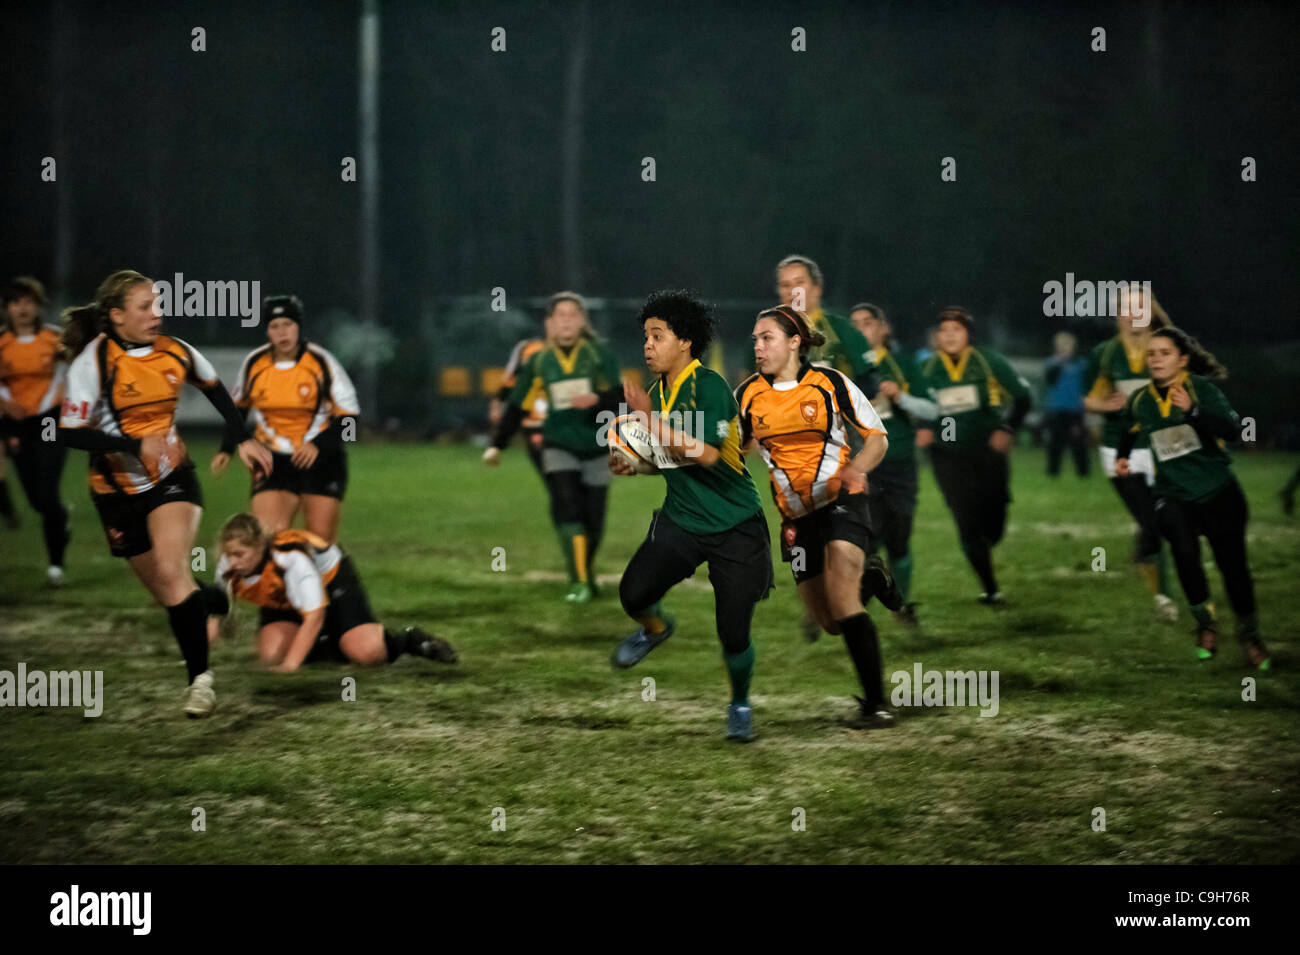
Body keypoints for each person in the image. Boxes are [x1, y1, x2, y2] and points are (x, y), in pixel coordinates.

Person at [58, 270, 273, 717]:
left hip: (173, 479)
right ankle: (218, 599)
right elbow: (69, 432)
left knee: (172, 572)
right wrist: (131, 445)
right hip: (115, 492)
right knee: (168, 592)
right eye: (146, 307)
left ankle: (200, 682)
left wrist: (242, 439)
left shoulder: (176, 351)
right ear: (116, 316)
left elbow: (217, 391)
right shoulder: (92, 364)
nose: (158, 313)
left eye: (158, 304)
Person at [609, 290, 773, 742]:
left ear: (685, 342)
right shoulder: (658, 393)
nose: (647, 345)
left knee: (733, 633)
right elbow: (670, 456)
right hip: (683, 520)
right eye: (645, 336)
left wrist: (648, 421)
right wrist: (636, 464)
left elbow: (706, 455)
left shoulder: (711, 387)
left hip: (735, 525)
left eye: (657, 336)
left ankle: (739, 703)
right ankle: (656, 630)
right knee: (633, 595)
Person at [737, 305, 895, 727]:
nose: (758, 346)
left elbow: (877, 438)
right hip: (795, 519)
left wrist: (856, 470)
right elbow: (727, 453)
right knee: (831, 622)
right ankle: (873, 582)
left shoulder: (830, 382)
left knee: (843, 591)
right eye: (755, 339)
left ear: (794, 342)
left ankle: (876, 706)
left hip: (841, 499)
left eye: (766, 337)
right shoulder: (748, 395)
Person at [1116, 328, 1270, 668]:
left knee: (1234, 569)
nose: (1156, 358)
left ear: (1183, 359)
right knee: (1185, 555)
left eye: (1165, 353)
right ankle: (1205, 624)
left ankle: (1250, 634)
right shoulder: (1141, 400)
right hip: (1173, 496)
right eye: (1152, 353)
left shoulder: (1202, 390)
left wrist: (1195, 412)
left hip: (1218, 494)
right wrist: (1123, 456)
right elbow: (1127, 426)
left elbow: (1234, 430)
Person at [485, 292, 623, 603]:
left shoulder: (599, 354)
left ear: (582, 322)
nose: (566, 321)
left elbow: (621, 398)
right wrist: (497, 445)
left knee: (594, 517)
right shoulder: (539, 360)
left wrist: (597, 401)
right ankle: (579, 582)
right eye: (559, 315)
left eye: (572, 315)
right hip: (557, 444)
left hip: (598, 445)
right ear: (549, 323)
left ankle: (584, 571)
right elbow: (517, 405)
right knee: (566, 504)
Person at [212, 513, 458, 671]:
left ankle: (408, 640)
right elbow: (216, 611)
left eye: (239, 555)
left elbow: (314, 616)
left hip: (332, 580)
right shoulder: (230, 566)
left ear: (259, 547)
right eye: (229, 554)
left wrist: (290, 666)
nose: (232, 562)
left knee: (367, 653)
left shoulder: (291, 560)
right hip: (288, 600)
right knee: (270, 656)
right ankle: (329, 643)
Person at [213, 296, 359, 545]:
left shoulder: (322, 362)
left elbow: (351, 425)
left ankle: (328, 583)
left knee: (320, 543)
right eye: (275, 326)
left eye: (288, 324)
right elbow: (238, 410)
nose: (282, 332)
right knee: (270, 540)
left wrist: (318, 445)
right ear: (267, 331)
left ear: (299, 327)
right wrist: (227, 448)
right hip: (273, 459)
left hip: (322, 460)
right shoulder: (255, 363)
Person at [917, 307, 1031, 603]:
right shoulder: (927, 368)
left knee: (993, 524)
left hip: (987, 452)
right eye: (944, 331)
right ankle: (991, 588)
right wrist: (924, 427)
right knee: (966, 521)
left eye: (957, 329)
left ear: (968, 335)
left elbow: (1023, 397)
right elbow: (915, 404)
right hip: (947, 455)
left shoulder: (989, 361)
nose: (950, 336)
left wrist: (1008, 428)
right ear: (937, 337)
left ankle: (985, 544)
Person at [1082, 284, 1178, 622]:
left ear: (1150, 311)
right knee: (1151, 521)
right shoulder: (1105, 354)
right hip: (1119, 451)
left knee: (1161, 520)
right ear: (1119, 315)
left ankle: (1150, 565)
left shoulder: (1168, 347)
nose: (1132, 313)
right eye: (1125, 307)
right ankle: (1163, 596)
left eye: (1139, 306)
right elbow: (1088, 400)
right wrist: (1106, 404)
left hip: (1162, 448)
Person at [850, 302, 939, 625]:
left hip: (900, 464)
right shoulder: (845, 368)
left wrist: (901, 397)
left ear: (883, 328)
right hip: (862, 466)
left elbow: (932, 410)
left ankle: (900, 605)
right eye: (855, 324)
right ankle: (851, 608)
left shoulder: (902, 364)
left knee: (899, 539)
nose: (861, 329)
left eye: (868, 322)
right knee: (863, 539)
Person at [0, 276, 71, 583]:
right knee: (36, 499)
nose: (23, 308)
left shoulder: (54, 338)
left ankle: (56, 564)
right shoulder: (2, 342)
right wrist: (5, 401)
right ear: (7, 308)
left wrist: (43, 405)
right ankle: (60, 517)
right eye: (16, 302)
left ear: (39, 306)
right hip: (15, 423)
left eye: (28, 301)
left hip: (47, 420)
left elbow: (64, 373)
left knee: (47, 485)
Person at [489, 332, 549, 478]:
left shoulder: (583, 350)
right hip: (534, 419)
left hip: (564, 422)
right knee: (555, 479)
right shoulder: (526, 348)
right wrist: (497, 402)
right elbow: (511, 380)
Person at [1043, 331, 1089, 478]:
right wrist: (1059, 362)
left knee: (1078, 443)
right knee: (1055, 443)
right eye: (1061, 345)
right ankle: (1053, 472)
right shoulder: (1051, 363)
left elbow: (1088, 385)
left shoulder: (1081, 364)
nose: (1064, 348)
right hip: (1056, 409)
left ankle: (1083, 473)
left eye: (1067, 344)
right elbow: (1049, 380)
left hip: (1075, 410)